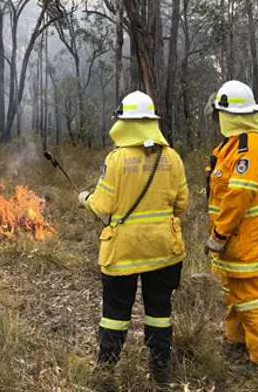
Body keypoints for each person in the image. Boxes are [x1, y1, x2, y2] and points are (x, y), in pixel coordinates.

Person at [77, 91, 189, 388]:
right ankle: (160, 369)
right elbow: (182, 204)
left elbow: (102, 207)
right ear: (151, 123)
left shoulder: (117, 160)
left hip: (123, 253)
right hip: (165, 251)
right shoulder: (173, 157)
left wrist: (84, 199)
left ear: (126, 123)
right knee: (159, 311)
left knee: (115, 313)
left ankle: (106, 372)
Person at [204, 80, 258, 376]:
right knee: (234, 290)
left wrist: (218, 235)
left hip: (244, 238)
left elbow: (238, 195)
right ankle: (238, 340)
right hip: (234, 237)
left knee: (249, 295)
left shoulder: (251, 145)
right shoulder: (233, 144)